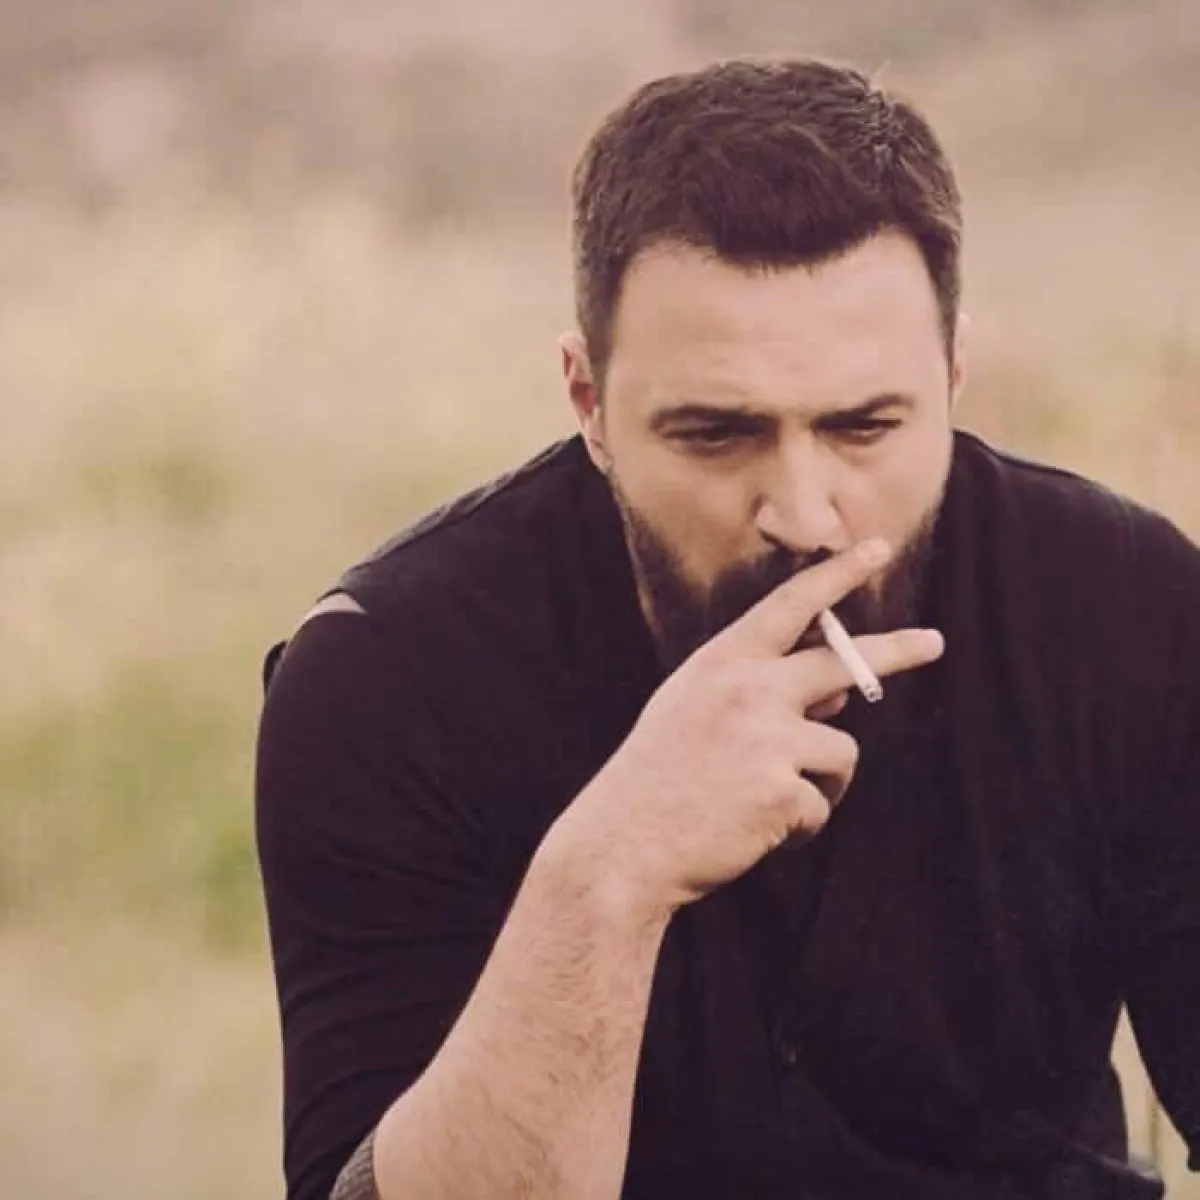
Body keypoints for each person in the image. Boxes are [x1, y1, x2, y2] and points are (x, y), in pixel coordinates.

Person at [254, 57, 1200, 1199]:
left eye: (864, 426)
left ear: (954, 374)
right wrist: (608, 874)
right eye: (715, 434)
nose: (802, 514)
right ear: (588, 401)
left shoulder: (1126, 606)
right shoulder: (387, 678)